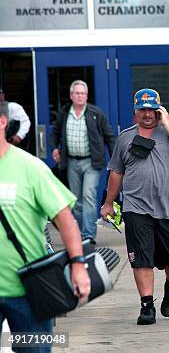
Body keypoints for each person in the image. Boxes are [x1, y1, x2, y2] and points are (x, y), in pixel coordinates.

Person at [0, 101, 90, 353]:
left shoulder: (30, 168)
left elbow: (66, 222)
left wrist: (78, 266)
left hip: (27, 291)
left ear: (2, 122)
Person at [100, 88, 169, 325]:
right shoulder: (125, 138)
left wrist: (168, 125)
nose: (147, 114)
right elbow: (116, 172)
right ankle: (146, 305)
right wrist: (109, 203)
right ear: (135, 112)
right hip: (136, 208)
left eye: (152, 109)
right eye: (142, 109)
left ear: (159, 110)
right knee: (140, 258)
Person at [51, 80, 116, 240]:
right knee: (76, 200)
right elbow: (55, 132)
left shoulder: (96, 113)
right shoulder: (65, 113)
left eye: (83, 93)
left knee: (88, 196)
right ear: (71, 96)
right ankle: (79, 234)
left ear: (86, 96)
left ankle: (88, 235)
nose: (80, 96)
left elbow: (109, 136)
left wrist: (115, 159)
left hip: (91, 162)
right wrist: (54, 148)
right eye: (77, 93)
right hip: (71, 162)